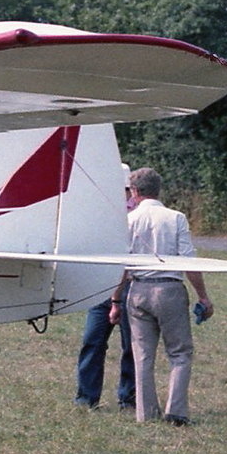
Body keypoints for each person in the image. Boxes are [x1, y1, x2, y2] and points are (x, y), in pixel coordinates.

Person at [109, 168, 212, 425]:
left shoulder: (130, 220)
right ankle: (176, 411)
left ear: (134, 191)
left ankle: (145, 413)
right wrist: (203, 296)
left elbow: (123, 264)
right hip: (169, 288)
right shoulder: (176, 218)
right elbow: (188, 260)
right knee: (180, 353)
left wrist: (115, 299)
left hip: (138, 289)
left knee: (142, 355)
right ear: (158, 190)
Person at [76, 165, 138, 409]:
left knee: (131, 346)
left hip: (129, 288)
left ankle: (128, 397)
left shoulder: (135, 214)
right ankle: (87, 397)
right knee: (92, 341)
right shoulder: (99, 214)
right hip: (102, 286)